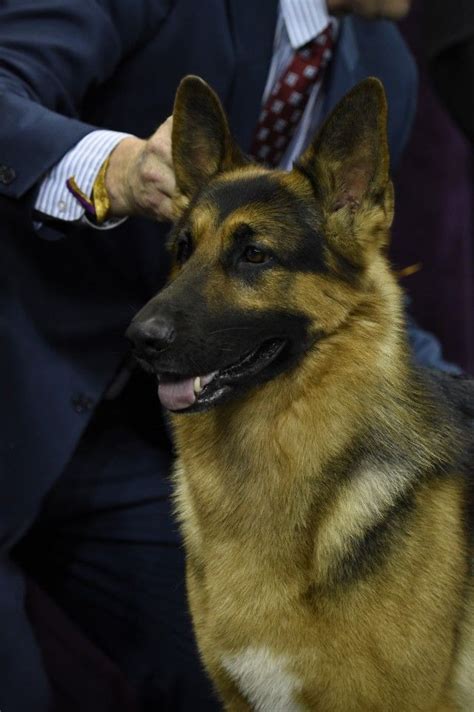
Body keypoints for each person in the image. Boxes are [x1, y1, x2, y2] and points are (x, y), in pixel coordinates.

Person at [0, 0, 452, 710]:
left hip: (145, 437)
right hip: (18, 378)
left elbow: (342, 288)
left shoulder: (383, 61)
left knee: (239, 682)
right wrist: (112, 168)